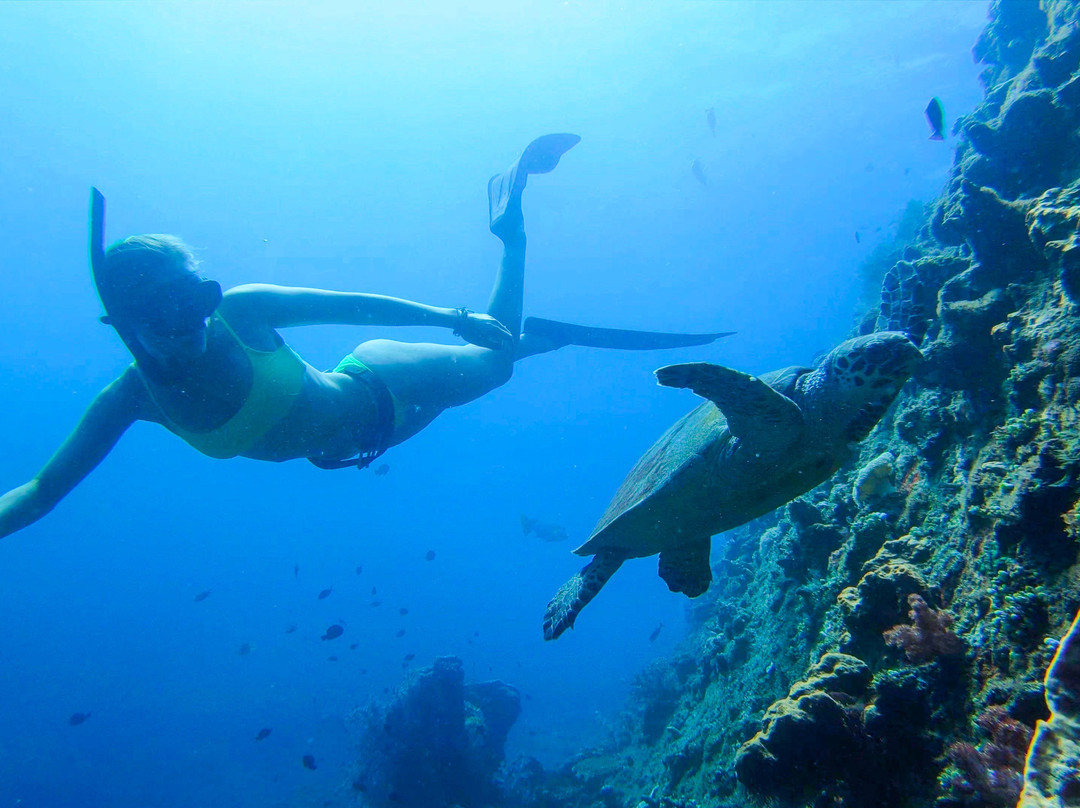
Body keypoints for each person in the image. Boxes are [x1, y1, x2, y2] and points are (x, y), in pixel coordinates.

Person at [0, 135, 730, 539]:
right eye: (164, 314)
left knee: (496, 362)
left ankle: (509, 231)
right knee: (493, 360)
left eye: (198, 297)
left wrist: (452, 318)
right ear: (124, 327)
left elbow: (355, 305)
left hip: (378, 381)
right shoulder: (131, 400)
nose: (191, 321)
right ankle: (522, 336)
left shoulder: (242, 313)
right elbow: (38, 492)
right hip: (350, 447)